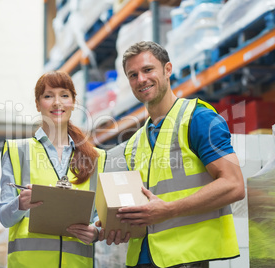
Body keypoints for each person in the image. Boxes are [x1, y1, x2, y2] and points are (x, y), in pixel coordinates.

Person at [98, 41, 245, 268]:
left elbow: (233, 184)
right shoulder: (135, 143)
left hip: (187, 258)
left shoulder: (197, 119)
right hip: (142, 260)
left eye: (148, 70)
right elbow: (139, 202)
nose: (141, 80)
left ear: (167, 70)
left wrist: (169, 210)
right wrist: (112, 223)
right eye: (133, 75)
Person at [0, 71, 106, 268]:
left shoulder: (95, 157)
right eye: (48, 96)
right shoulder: (17, 151)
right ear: (38, 104)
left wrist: (96, 232)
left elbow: (101, 216)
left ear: (74, 102)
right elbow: (4, 218)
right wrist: (20, 204)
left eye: (64, 95)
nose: (57, 102)